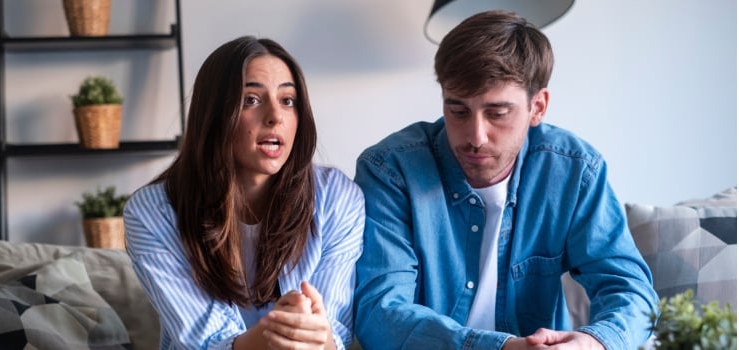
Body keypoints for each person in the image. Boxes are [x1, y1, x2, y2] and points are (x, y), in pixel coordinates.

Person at [353, 10, 658, 350]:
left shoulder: (573, 172)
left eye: (497, 113)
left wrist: (593, 342)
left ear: (538, 107)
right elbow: (379, 314)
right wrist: (500, 348)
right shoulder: (390, 171)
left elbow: (630, 289)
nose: (476, 136)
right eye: (457, 110)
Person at [124, 36, 364, 350]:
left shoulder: (337, 197)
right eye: (251, 99)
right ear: (215, 114)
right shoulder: (152, 212)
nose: (275, 116)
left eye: (288, 101)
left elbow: (334, 334)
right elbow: (201, 342)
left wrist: (317, 335)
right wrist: (274, 335)